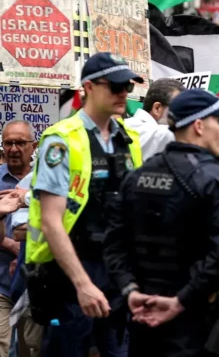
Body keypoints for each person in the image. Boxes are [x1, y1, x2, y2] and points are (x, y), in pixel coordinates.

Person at [103, 89, 219, 357]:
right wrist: (180, 301)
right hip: (192, 324)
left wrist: (130, 291)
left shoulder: (137, 176)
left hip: (141, 318)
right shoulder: (214, 179)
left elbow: (113, 244)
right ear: (199, 125)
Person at [27, 53, 145, 357]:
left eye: (128, 87)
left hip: (118, 272)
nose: (123, 94)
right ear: (88, 87)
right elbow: (53, 222)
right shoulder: (61, 140)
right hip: (70, 274)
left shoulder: (129, 138)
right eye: (116, 86)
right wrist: (82, 283)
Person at [0, 121, 35, 355]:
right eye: (8, 143)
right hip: (1, 283)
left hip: (34, 286)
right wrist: (10, 245)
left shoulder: (45, 180)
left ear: (34, 146)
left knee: (34, 347)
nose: (13, 148)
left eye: (20, 143)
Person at [123, 79, 183, 161]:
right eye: (179, 110)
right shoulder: (153, 132)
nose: (183, 116)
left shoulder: (126, 125)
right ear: (157, 108)